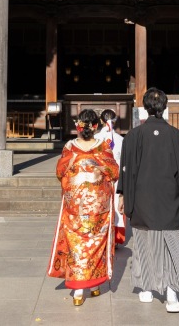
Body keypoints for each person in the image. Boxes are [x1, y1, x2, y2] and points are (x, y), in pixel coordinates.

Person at [117, 87, 179, 313]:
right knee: (173, 245)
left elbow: (126, 170)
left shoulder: (133, 136)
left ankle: (146, 288)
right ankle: (172, 294)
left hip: (142, 198)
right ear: (164, 107)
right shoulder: (176, 136)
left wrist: (123, 195)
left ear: (145, 108)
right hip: (170, 199)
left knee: (144, 243)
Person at [47, 108, 119, 306]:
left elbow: (60, 172)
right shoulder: (103, 147)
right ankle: (95, 286)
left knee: (78, 244)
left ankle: (79, 289)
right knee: (95, 242)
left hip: (75, 207)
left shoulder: (70, 148)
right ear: (96, 127)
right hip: (98, 205)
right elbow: (113, 172)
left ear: (78, 126)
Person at [95, 108, 125, 245]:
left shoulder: (95, 139)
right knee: (116, 206)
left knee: (99, 207)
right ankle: (115, 238)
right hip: (116, 178)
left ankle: (101, 237)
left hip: (98, 179)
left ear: (101, 121)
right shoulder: (121, 140)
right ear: (115, 121)